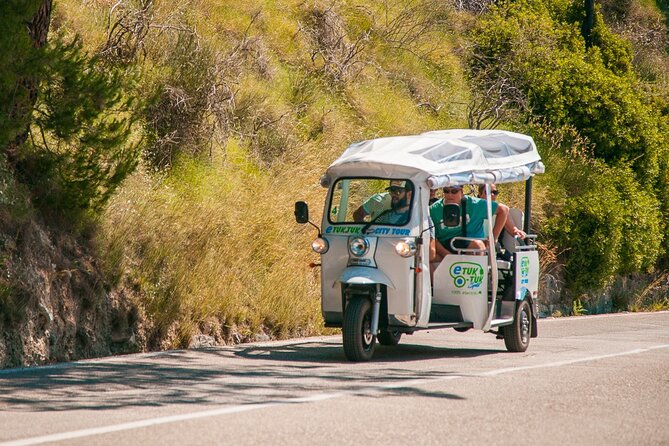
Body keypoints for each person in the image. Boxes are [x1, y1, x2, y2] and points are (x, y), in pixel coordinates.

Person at [429, 185, 509, 263]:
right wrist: (449, 256)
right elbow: (433, 239)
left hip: (471, 247)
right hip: (445, 248)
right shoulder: (434, 209)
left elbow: (504, 210)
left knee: (478, 245)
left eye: (454, 191)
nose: (450, 195)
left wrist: (493, 238)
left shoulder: (475, 204)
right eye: (446, 191)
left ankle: (472, 274)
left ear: (462, 192)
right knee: (428, 256)